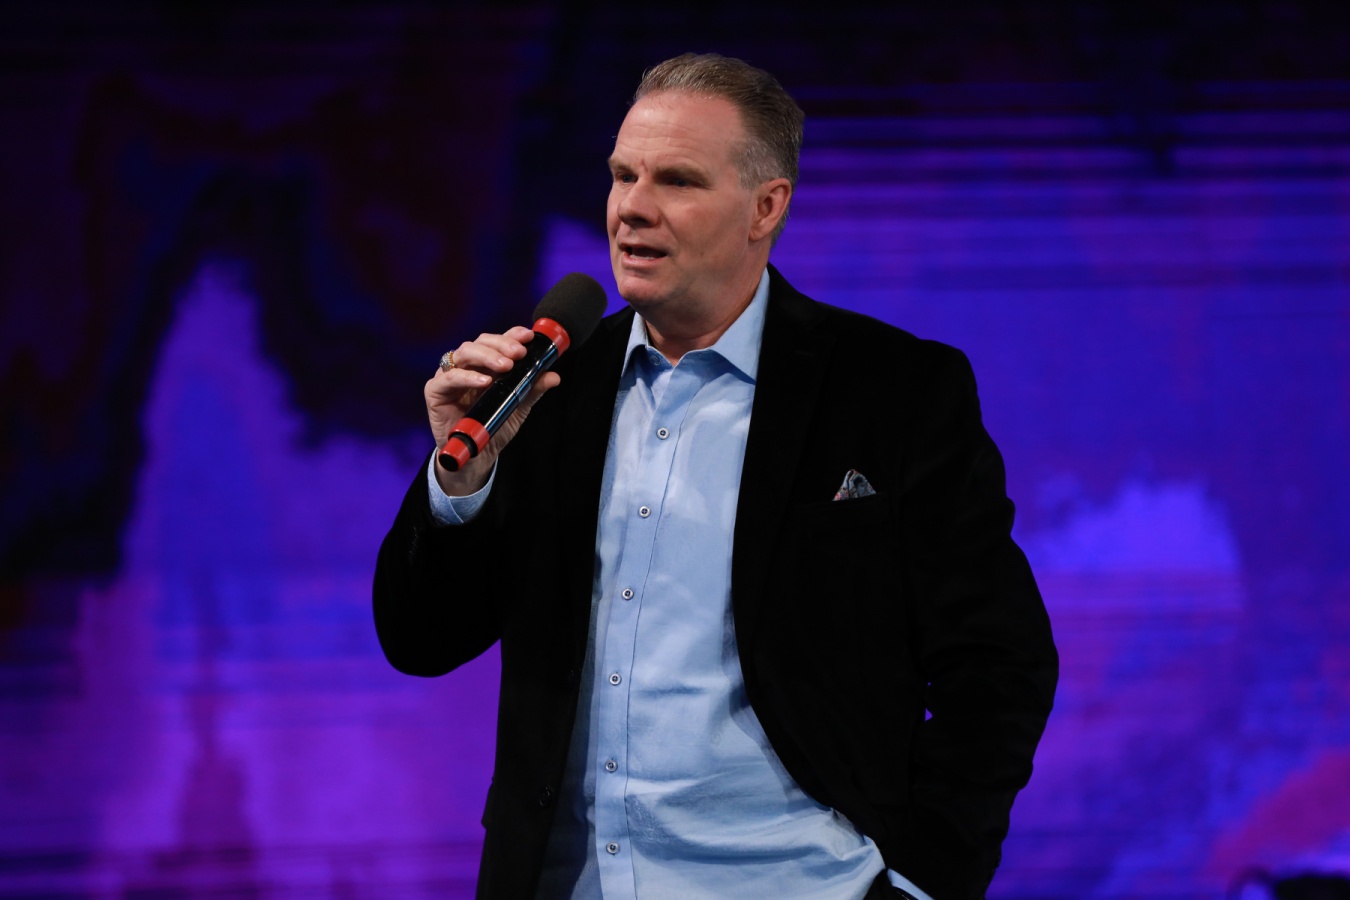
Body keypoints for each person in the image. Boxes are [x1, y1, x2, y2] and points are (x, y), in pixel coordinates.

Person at [374, 53, 1057, 900]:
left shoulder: (892, 391)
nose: (632, 207)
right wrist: (460, 483)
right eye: (622, 175)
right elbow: (423, 641)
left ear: (766, 207)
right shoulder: (547, 390)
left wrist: (924, 884)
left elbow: (998, 664)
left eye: (678, 180)